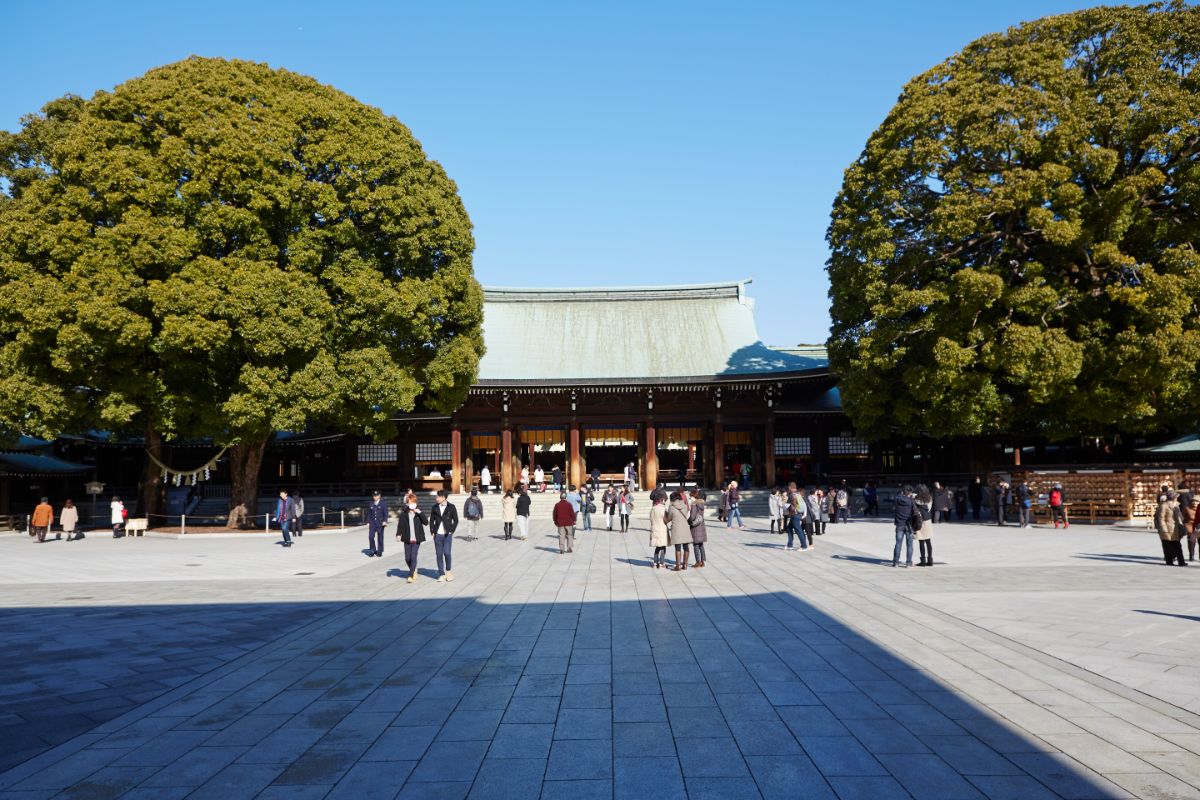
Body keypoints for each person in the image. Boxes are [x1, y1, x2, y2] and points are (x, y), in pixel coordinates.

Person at [396, 493, 427, 582]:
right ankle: (413, 570)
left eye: (413, 502)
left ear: (416, 503)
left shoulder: (418, 513)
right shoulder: (404, 514)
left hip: (417, 539)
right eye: (410, 502)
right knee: (407, 558)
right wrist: (398, 534)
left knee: (413, 557)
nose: (412, 504)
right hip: (407, 538)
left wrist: (420, 513)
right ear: (407, 503)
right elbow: (400, 525)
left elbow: (426, 522)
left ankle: (410, 575)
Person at [429, 489, 459, 582]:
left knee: (447, 553)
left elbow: (456, 520)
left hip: (447, 535)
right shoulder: (434, 507)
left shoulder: (451, 507)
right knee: (439, 554)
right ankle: (441, 574)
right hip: (438, 535)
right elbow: (431, 520)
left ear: (443, 497)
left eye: (438, 496)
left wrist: (451, 530)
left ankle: (448, 571)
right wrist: (432, 531)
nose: (436, 498)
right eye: (436, 496)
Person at [1155, 490, 1187, 567]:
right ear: (1173, 497)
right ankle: (1169, 561)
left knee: (1177, 546)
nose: (1177, 498)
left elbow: (1180, 517)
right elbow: (1161, 518)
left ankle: (1181, 562)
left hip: (1176, 528)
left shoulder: (1176, 505)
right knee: (1167, 545)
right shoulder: (1164, 506)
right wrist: (1163, 529)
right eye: (1176, 497)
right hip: (1167, 528)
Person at [666, 491, 693, 570]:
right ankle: (685, 565)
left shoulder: (671, 507)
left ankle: (678, 566)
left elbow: (669, 518)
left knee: (677, 548)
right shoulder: (684, 505)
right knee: (686, 547)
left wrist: (665, 519)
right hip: (685, 527)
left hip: (676, 528)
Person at [893, 485, 916, 568]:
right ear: (910, 492)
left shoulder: (897, 499)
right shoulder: (911, 501)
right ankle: (908, 562)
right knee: (909, 544)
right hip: (909, 525)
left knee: (898, 544)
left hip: (899, 524)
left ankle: (896, 562)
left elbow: (897, 497)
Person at [689, 490, 709, 567]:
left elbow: (693, 516)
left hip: (695, 527)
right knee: (701, 545)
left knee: (696, 545)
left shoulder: (694, 504)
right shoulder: (701, 503)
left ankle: (697, 562)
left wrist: (688, 521)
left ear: (694, 497)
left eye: (691, 497)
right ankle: (702, 562)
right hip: (701, 525)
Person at [365, 490, 388, 557]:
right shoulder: (371, 503)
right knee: (370, 537)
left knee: (380, 537)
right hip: (372, 523)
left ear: (379, 496)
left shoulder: (383, 503)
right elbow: (369, 513)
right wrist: (368, 521)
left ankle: (380, 551)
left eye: (376, 495)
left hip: (380, 523)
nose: (375, 497)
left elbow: (385, 513)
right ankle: (373, 550)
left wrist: (385, 521)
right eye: (374, 496)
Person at [649, 492, 669, 568]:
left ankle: (655, 562)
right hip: (662, 528)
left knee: (657, 546)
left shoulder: (653, 509)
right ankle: (661, 563)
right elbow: (666, 519)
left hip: (655, 528)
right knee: (663, 546)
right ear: (661, 500)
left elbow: (651, 519)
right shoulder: (664, 509)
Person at [915, 494, 934, 566]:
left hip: (920, 521)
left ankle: (923, 561)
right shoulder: (929, 499)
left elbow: (917, 503)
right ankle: (930, 560)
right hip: (928, 520)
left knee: (921, 541)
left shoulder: (917, 500)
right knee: (928, 541)